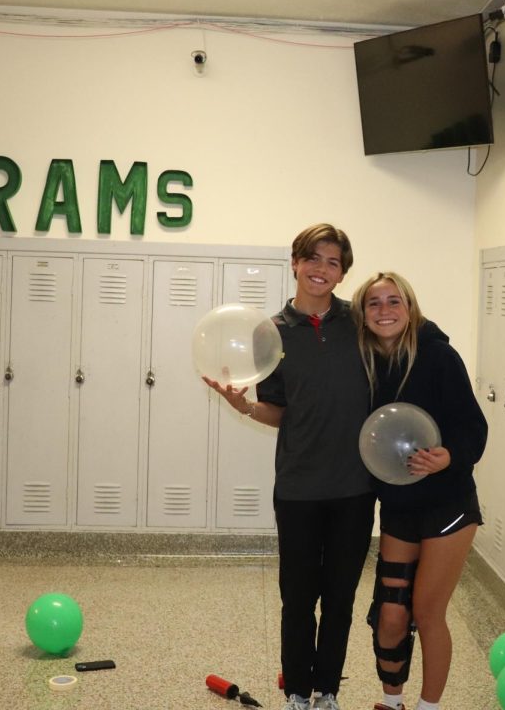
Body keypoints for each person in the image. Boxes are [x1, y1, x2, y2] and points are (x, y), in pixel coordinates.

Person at [205, 223, 374, 710]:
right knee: (298, 600)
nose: (322, 270)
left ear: (342, 274)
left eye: (333, 263)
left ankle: (328, 692)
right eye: (313, 259)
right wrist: (244, 408)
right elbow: (278, 411)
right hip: (298, 488)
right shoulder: (271, 334)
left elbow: (406, 335)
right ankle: (298, 692)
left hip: (355, 489)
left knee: (339, 599)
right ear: (295, 262)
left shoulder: (359, 322)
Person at [350, 272, 488, 710]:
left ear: (410, 309)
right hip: (399, 507)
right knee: (390, 617)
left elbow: (473, 427)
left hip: (449, 507)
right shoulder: (363, 362)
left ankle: (428, 707)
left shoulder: (439, 357)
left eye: (395, 301)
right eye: (374, 303)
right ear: (363, 313)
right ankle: (393, 702)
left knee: (427, 613)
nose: (385, 310)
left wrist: (449, 456)